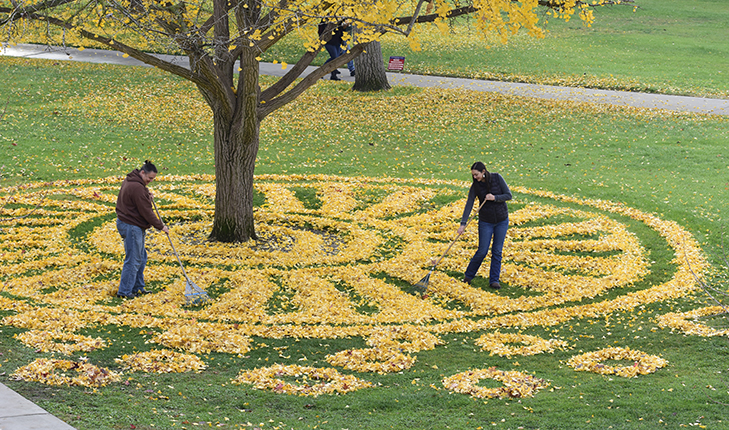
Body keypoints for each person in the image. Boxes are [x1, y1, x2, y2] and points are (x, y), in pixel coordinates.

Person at [115, 160, 169, 298]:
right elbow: (146, 211)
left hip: (129, 223)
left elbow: (137, 200)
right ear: (142, 172)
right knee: (133, 259)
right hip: (131, 226)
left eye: (153, 179)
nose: (150, 181)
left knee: (141, 257)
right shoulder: (137, 187)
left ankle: (137, 287)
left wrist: (146, 196)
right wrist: (160, 226)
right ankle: (125, 291)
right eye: (149, 178)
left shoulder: (133, 180)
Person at [457, 162, 512, 290]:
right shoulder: (475, 186)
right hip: (485, 221)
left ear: (483, 171)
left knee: (497, 251)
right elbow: (469, 203)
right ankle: (468, 276)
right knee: (482, 250)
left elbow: (508, 195)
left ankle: (494, 280)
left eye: (476, 174)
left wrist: (495, 197)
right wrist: (463, 224)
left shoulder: (497, 178)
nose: (475, 177)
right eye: (473, 175)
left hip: (501, 220)